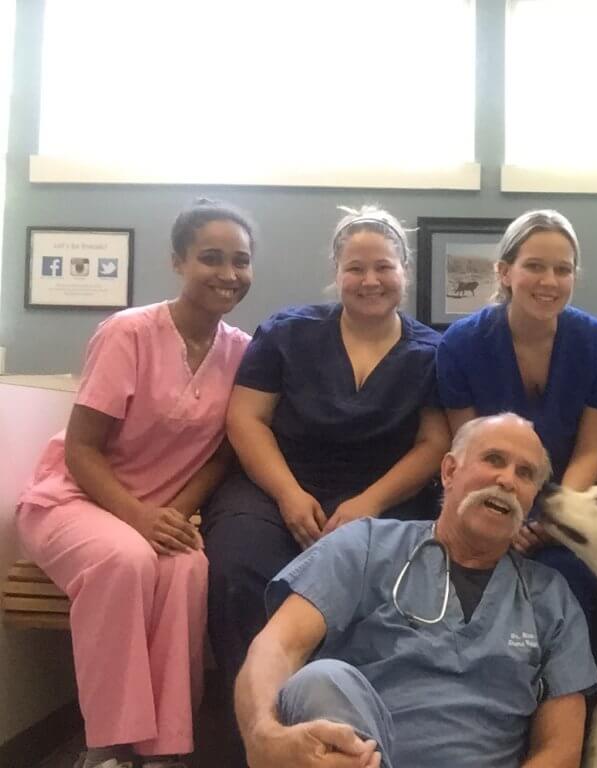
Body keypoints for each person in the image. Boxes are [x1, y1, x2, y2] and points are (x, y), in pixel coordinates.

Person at [16, 198, 256, 768]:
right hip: (71, 500)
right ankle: (107, 746)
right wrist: (140, 517)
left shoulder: (244, 353)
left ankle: (165, 749)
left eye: (241, 261)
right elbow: (81, 449)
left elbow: (222, 456)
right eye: (211, 258)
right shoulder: (128, 333)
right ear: (178, 261)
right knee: (127, 560)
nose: (228, 274)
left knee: (188, 565)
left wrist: (171, 516)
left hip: (155, 511)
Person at [234, 413, 597, 768]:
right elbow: (276, 646)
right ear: (450, 471)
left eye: (526, 474)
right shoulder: (364, 547)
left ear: (533, 498)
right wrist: (263, 737)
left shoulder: (552, 599)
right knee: (320, 680)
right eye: (494, 460)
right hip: (366, 749)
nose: (507, 480)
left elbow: (561, 749)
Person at [202, 206, 450, 719]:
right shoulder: (287, 333)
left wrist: (369, 503)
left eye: (383, 266)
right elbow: (247, 419)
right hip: (275, 487)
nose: (369, 280)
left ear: (403, 271)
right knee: (238, 569)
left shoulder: (432, 352)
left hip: (383, 498)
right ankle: (257, 723)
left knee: (388, 589)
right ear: (336, 272)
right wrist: (289, 495)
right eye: (355, 268)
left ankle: (357, 724)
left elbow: (433, 444)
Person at [435, 209, 597, 615]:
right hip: (483, 503)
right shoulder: (460, 346)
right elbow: (471, 454)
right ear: (504, 271)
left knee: (574, 580)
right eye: (534, 266)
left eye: (563, 269)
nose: (549, 282)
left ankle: (573, 682)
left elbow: (592, 450)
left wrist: (552, 520)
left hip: (562, 512)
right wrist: (506, 517)